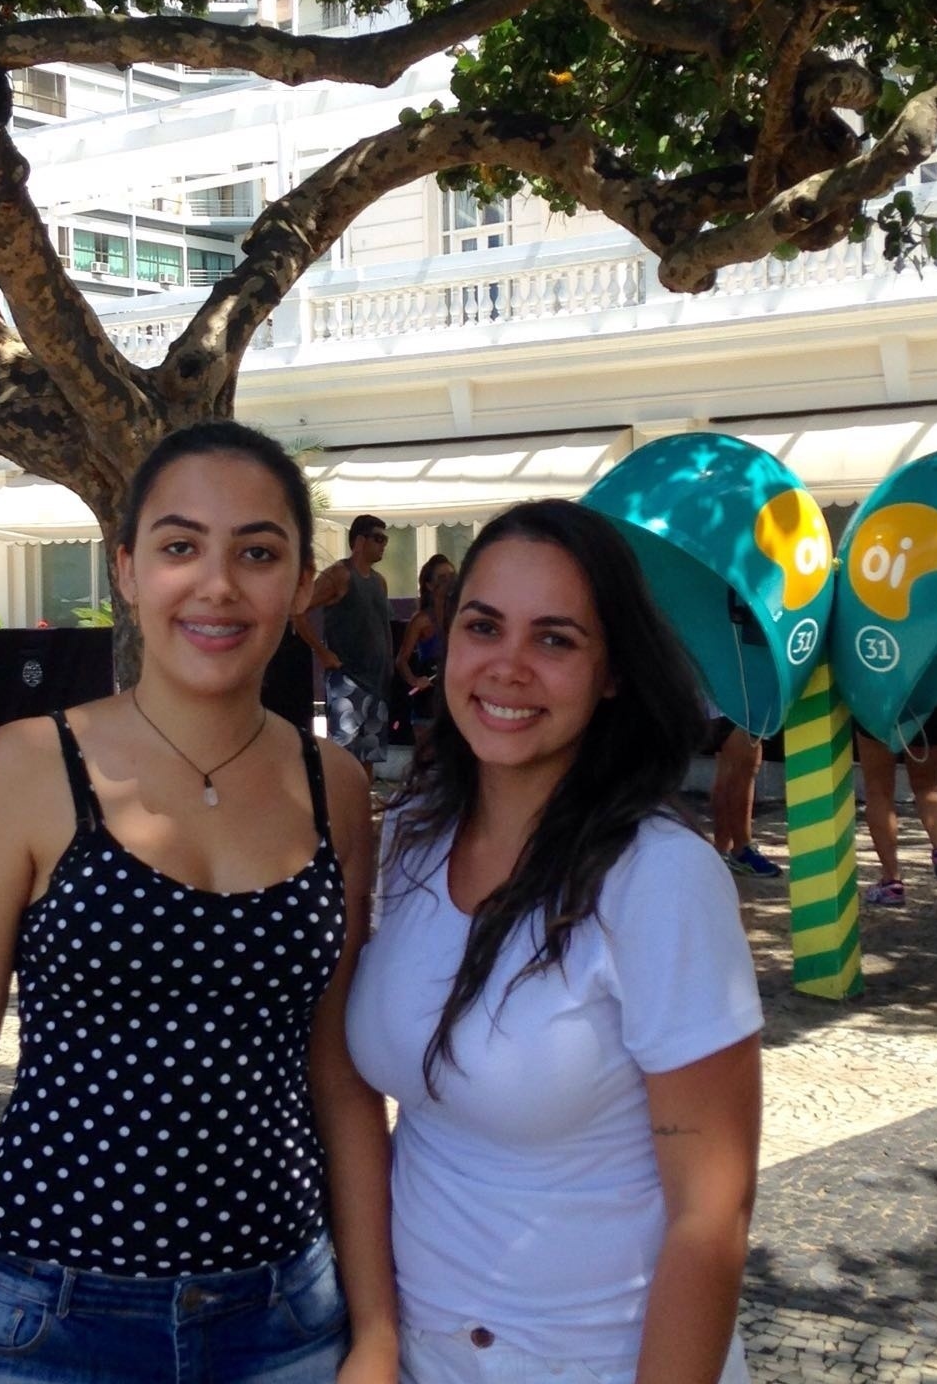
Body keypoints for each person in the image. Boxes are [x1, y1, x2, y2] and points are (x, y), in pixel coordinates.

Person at [0, 422, 398, 1384]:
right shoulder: (29, 767)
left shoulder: (333, 785)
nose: (217, 584)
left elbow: (339, 1077)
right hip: (52, 1318)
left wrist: (374, 1330)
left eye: (257, 552)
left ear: (299, 584)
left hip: (286, 1316)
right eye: (180, 547)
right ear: (126, 569)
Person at [346, 499, 764, 1384]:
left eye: (556, 640)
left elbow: (712, 1211)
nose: (509, 667)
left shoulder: (660, 879)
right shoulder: (412, 837)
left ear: (612, 671)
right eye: (484, 626)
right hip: (417, 1358)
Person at [294, 515, 393, 782]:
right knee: (343, 757)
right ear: (359, 541)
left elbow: (383, 629)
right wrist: (322, 652)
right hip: (347, 681)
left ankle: (362, 812)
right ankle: (340, 813)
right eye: (378, 538)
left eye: (386, 539)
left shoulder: (379, 582)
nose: (384, 544)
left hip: (376, 682)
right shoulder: (339, 574)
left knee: (370, 756)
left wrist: (389, 671)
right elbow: (299, 611)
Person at [859, 693, 937, 906]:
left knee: (878, 790)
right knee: (929, 785)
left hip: (876, 701)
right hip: (928, 701)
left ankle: (892, 882)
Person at [709, 720, 783, 879]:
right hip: (739, 704)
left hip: (718, 704)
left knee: (727, 766)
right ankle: (741, 850)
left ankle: (721, 851)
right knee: (744, 765)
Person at [394, 556, 455, 740]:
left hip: (453, 698)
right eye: (442, 578)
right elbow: (401, 660)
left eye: (452, 576)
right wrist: (414, 680)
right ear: (429, 586)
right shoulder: (421, 620)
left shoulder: (461, 615)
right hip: (428, 700)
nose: (449, 582)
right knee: (427, 759)